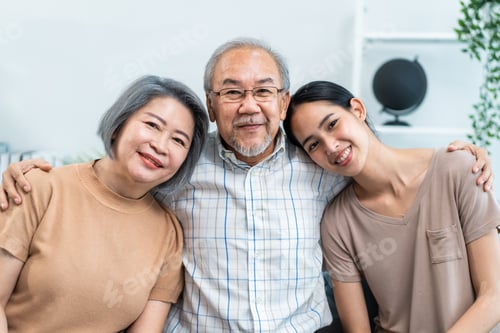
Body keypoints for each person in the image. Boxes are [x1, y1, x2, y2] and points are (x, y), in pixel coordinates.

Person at [0, 38, 495, 332]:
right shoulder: (182, 162)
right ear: (212, 106)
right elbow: (121, 173)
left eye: (263, 91)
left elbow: (377, 167)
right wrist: (29, 169)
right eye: (232, 92)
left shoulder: (320, 164)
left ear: (282, 103)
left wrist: (462, 154)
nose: (249, 105)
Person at [283, 80, 500, 332]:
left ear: (357, 110)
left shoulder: (459, 169)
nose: (330, 146)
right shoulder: (336, 224)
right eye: (313, 145)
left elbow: (494, 295)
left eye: (332, 124)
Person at [0, 75, 209, 333]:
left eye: (179, 140)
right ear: (119, 124)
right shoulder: (38, 188)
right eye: (152, 125)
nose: (160, 145)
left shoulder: (169, 236)